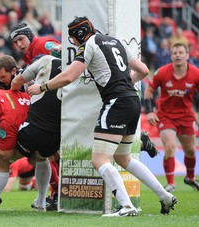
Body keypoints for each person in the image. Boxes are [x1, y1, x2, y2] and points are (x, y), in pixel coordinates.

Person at [28, 16, 177, 217]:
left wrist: (42, 87)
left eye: (72, 38)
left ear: (79, 34)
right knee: (123, 158)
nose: (73, 42)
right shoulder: (115, 41)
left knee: (99, 159)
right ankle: (165, 196)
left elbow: (68, 76)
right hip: (132, 100)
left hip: (116, 102)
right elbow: (143, 70)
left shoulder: (89, 44)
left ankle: (126, 206)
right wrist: (125, 85)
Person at [144, 42, 199, 193]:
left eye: (181, 52)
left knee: (190, 151)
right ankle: (170, 183)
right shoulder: (162, 72)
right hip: (166, 116)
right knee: (170, 147)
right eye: (175, 53)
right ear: (171, 56)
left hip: (186, 116)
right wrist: (149, 111)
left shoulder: (196, 74)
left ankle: (190, 178)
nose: (178, 55)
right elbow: (148, 91)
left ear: (187, 55)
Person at [11, 54, 62, 211]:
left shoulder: (45, 61)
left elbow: (15, 83)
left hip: (35, 127)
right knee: (42, 157)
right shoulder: (72, 69)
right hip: (56, 130)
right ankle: (47, 199)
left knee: (5, 155)